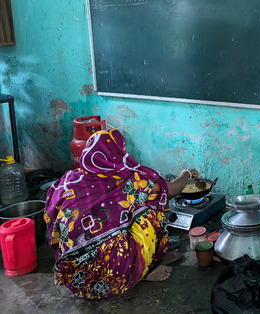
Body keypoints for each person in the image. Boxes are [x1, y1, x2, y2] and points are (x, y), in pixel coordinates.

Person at [44, 128, 195, 300]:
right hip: (114, 275)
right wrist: (186, 173)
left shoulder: (68, 181)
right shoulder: (131, 180)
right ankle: (141, 270)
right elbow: (172, 189)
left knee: (127, 210)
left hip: (77, 276)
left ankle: (154, 258)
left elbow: (51, 218)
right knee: (150, 210)